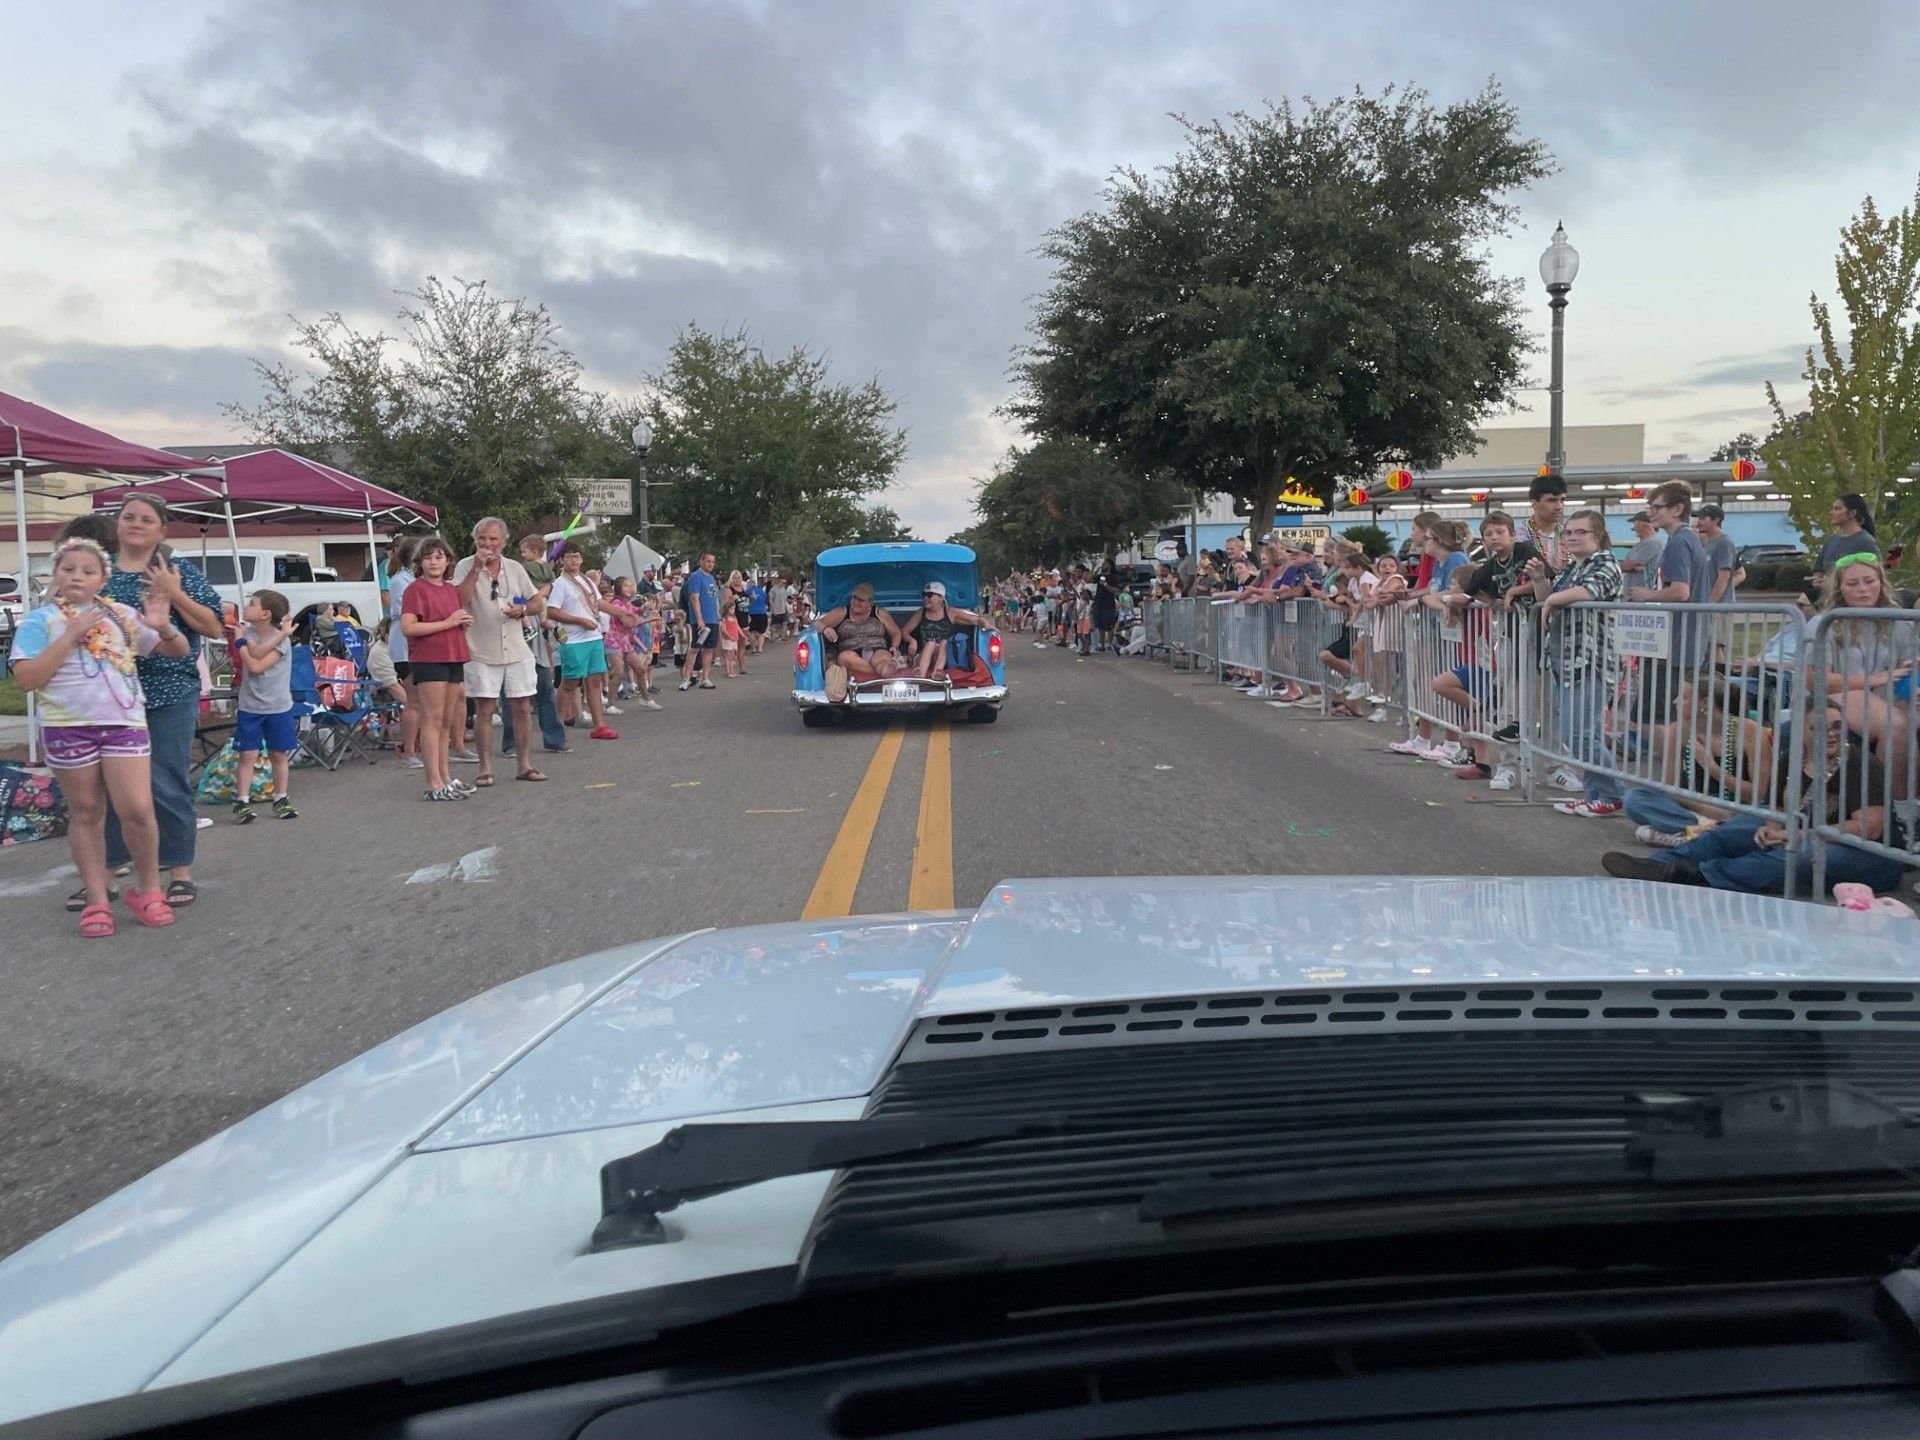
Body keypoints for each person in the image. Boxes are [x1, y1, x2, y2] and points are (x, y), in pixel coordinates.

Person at [9, 537, 189, 935]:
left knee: (139, 810)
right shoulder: (39, 621)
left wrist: (164, 628)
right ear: (55, 574)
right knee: (87, 812)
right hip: (66, 727)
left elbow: (176, 652)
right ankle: (96, 900)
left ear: (103, 578)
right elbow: (27, 679)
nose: (77, 576)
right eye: (68, 569)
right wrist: (70, 634)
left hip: (124, 724)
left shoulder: (121, 614)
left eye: (88, 571)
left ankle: (149, 890)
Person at [1602, 708, 1906, 897]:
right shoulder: (1791, 760)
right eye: (1820, 727)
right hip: (1803, 832)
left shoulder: (1860, 763)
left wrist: (1794, 834)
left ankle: (1703, 877)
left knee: (1794, 853)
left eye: (1838, 726)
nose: (1831, 734)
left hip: (1871, 855)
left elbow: (1871, 826)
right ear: (1802, 733)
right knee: (1740, 828)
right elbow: (1773, 808)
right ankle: (1656, 866)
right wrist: (1772, 827)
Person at [94, 492, 225, 914]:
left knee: (166, 779)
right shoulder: (100, 571)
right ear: (117, 524)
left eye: (146, 519)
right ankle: (110, 871)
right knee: (111, 786)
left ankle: (178, 870)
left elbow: (214, 626)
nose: (135, 524)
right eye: (128, 517)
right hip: (108, 695)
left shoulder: (179, 571)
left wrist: (175, 594)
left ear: (161, 529)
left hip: (168, 689)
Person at [1527, 508, 1627, 818]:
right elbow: (1549, 598)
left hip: (1590, 661)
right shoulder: (1573, 567)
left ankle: (1613, 794)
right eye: (1568, 532)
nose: (1571, 537)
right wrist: (1540, 580)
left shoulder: (1606, 563)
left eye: (1580, 532)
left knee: (1579, 736)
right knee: (1584, 735)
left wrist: (1554, 602)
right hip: (1564, 660)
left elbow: (1586, 592)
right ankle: (1597, 795)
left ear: (1597, 536)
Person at [453, 517, 549, 785]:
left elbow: (534, 601)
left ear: (504, 542)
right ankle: (484, 769)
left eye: (493, 539)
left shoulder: (515, 568)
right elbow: (459, 600)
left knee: (521, 707)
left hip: (517, 648)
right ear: (476, 540)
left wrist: (522, 609)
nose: (488, 544)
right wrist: (476, 568)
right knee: (485, 709)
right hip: (480, 649)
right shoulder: (464, 566)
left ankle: (524, 764)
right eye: (483, 539)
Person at [1819, 552, 1917, 797]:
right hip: (1837, 698)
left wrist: (1914, 688)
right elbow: (1819, 682)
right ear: (1840, 589)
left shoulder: (1900, 623)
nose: (1863, 589)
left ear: (1881, 583)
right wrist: (1875, 679)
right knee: (1896, 725)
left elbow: (1910, 670)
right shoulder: (1825, 625)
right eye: (1853, 583)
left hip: (1889, 698)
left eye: (1869, 581)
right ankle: (1894, 812)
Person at [1628, 480, 1716, 730]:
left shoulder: (1679, 542)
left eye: (1657, 508)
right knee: (1666, 710)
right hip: (1682, 640)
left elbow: (1681, 591)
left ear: (1677, 509)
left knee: (1659, 714)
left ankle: (1652, 754)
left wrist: (1648, 594)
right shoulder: (1687, 540)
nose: (1651, 513)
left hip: (1675, 642)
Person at [399, 537, 475, 800]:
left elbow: (453, 619)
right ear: (419, 562)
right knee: (432, 718)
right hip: (429, 657)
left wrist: (460, 622)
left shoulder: (450, 590)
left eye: (439, 557)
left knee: (446, 719)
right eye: (429, 557)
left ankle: (445, 777)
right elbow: (408, 627)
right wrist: (448, 622)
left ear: (448, 561)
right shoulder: (415, 590)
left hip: (454, 654)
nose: (434, 561)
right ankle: (433, 782)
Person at [229, 587, 300, 822]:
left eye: (252, 604)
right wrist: (241, 638)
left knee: (278, 754)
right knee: (247, 755)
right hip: (251, 706)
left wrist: (241, 644)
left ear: (265, 614)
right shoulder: (249, 632)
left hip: (278, 706)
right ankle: (242, 801)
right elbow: (256, 651)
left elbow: (257, 665)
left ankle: (281, 797)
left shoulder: (281, 642)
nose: (246, 606)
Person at [501, 534, 570, 757]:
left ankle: (554, 739)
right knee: (512, 695)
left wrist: (537, 599)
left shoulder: (538, 576)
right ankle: (511, 743)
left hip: (535, 643)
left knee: (545, 689)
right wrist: (530, 601)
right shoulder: (511, 581)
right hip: (512, 644)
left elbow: (541, 597)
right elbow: (515, 601)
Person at [547, 542, 618, 739]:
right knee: (569, 683)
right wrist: (579, 621)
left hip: (593, 637)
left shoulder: (586, 580)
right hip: (573, 640)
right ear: (561, 560)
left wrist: (622, 613)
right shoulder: (561, 583)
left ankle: (599, 725)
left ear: (582, 559)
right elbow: (552, 610)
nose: (573, 560)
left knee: (594, 681)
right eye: (569, 556)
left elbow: (599, 603)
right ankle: (557, 729)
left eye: (576, 556)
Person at [817, 581, 904, 701]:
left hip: (877, 647)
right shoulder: (842, 612)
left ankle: (885, 667)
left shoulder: (880, 613)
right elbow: (817, 623)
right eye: (854, 598)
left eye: (861, 600)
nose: (856, 603)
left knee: (882, 657)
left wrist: (894, 646)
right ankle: (884, 671)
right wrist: (825, 629)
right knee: (844, 657)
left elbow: (896, 633)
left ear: (870, 603)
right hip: (850, 651)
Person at [385, 537, 423, 771]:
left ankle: (421, 746)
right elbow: (406, 610)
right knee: (414, 700)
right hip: (406, 646)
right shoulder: (401, 580)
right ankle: (409, 751)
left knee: (424, 700)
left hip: (419, 642)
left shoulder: (413, 579)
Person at [901, 580, 984, 677]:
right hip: (922, 655)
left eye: (930, 595)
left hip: (945, 657)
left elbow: (976, 620)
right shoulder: (921, 613)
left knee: (944, 642)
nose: (925, 598)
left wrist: (989, 625)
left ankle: (937, 672)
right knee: (931, 643)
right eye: (924, 595)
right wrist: (912, 640)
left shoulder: (951, 612)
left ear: (941, 597)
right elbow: (904, 632)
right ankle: (921, 674)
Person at [679, 552, 722, 691]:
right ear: (701, 562)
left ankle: (705, 678)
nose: (710, 564)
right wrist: (699, 619)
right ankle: (686, 678)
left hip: (712, 619)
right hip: (701, 619)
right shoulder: (696, 577)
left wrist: (717, 616)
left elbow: (714, 599)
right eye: (708, 561)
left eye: (712, 561)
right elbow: (694, 598)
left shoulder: (711, 578)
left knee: (709, 649)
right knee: (695, 648)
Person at [1815, 492, 1880, 577]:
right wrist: (1817, 579)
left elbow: (1873, 577)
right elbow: (1818, 570)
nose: (1831, 512)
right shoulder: (1831, 541)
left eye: (1837, 509)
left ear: (1852, 513)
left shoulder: (1866, 542)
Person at [1514, 474, 1568, 576]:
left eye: (1562, 500)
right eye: (1552, 500)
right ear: (1534, 503)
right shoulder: (1517, 537)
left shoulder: (1570, 535)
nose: (1559, 506)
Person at [1694, 503, 1740, 602]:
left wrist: (1710, 604)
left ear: (1716, 520)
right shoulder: (1704, 542)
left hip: (1719, 608)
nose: (1698, 522)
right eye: (1698, 518)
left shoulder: (1724, 542)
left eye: (1703, 518)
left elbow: (1724, 577)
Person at [1619, 510, 1666, 589]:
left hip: (1644, 594)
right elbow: (1629, 566)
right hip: (1634, 593)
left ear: (1642, 524)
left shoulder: (1653, 543)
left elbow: (1628, 565)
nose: (1634, 528)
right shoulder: (1641, 544)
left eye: (1635, 524)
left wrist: (1616, 566)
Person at [745, 574, 770, 653]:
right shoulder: (761, 591)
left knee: (752, 632)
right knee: (761, 633)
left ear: (749, 584)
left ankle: (753, 649)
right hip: (762, 613)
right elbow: (766, 601)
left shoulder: (747, 592)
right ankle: (760, 649)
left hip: (751, 613)